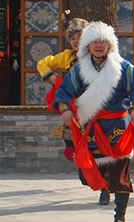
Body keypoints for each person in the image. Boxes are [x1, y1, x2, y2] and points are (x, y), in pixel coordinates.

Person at [54, 22, 134, 222]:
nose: (99, 45)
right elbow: (63, 92)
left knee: (121, 175)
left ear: (110, 44)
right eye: (94, 42)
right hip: (91, 129)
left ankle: (119, 217)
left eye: (103, 41)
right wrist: (64, 109)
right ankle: (106, 181)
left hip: (118, 128)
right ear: (87, 45)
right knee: (86, 174)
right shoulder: (79, 70)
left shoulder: (123, 67)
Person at [37, 19, 110, 203]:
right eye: (72, 38)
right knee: (78, 151)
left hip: (98, 109)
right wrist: (52, 77)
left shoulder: (98, 56)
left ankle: (105, 185)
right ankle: (92, 177)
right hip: (77, 112)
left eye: (79, 37)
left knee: (99, 148)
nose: (76, 41)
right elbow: (43, 63)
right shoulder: (67, 57)